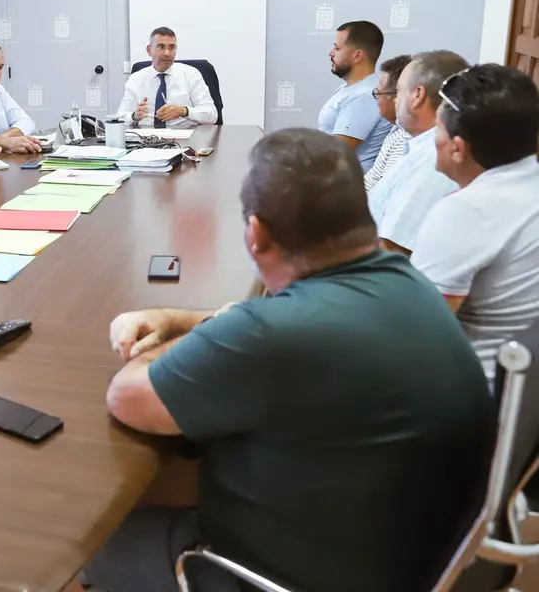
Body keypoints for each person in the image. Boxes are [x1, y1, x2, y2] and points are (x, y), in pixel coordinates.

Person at [81, 129, 493, 592]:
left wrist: (205, 335)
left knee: (87, 533)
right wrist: (181, 321)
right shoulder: (404, 281)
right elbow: (265, 328)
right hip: (396, 541)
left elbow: (129, 396)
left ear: (256, 233)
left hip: (294, 572)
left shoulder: (273, 334)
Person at [412, 64, 539, 382]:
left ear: (458, 148)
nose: (433, 138)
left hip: (471, 400)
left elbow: (412, 333)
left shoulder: (466, 213)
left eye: (438, 128)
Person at [367, 50, 468, 255]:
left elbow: (394, 253)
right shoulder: (418, 147)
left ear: (417, 95)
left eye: (399, 92)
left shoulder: (431, 160)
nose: (395, 101)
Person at [317, 21, 393, 171]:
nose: (331, 53)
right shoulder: (351, 89)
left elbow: (336, 153)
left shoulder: (364, 96)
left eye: (337, 48)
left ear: (357, 56)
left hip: (344, 187)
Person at [118, 26, 216, 129]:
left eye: (171, 47)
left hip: (183, 138)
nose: (167, 53)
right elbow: (120, 118)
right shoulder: (136, 79)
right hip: (146, 139)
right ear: (149, 50)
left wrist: (183, 111)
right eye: (161, 47)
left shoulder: (191, 75)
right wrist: (134, 116)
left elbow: (211, 115)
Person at [364, 53, 412, 190]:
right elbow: (371, 180)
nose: (377, 99)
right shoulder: (395, 130)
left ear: (397, 96)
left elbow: (387, 193)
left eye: (379, 93)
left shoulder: (409, 138)